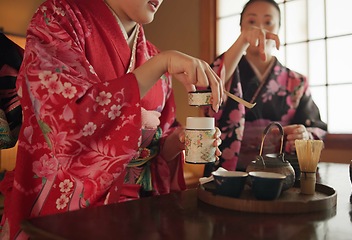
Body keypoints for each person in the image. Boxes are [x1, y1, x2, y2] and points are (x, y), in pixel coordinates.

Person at [0, 0, 224, 239]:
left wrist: (178, 142)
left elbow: (157, 149)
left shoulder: (154, 55)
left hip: (138, 214)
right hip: (68, 213)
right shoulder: (58, 18)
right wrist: (160, 64)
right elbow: (63, 118)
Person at [203, 0, 327, 174]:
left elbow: (316, 128)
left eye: (268, 22)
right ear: (241, 28)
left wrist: (302, 135)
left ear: (278, 28)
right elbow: (207, 87)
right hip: (227, 172)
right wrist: (243, 41)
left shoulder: (295, 82)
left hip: (278, 175)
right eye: (251, 22)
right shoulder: (226, 70)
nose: (260, 28)